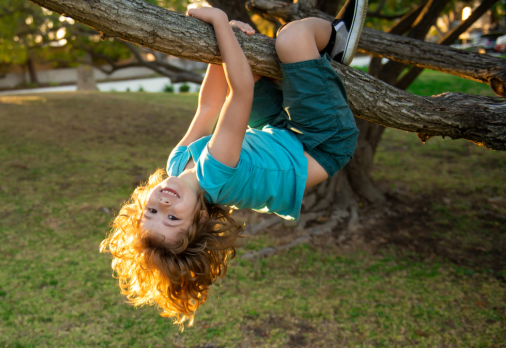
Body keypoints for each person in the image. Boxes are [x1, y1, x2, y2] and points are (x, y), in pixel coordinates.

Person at [100, 0, 368, 329]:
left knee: (247, 63)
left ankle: (307, 69)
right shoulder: (213, 174)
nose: (162, 203)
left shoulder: (177, 164)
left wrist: (226, 38)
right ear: (199, 217)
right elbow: (238, 93)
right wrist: (219, 21)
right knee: (291, 39)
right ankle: (336, 41)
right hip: (322, 144)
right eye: (172, 218)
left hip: (278, 133)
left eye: (152, 213)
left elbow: (209, 106)